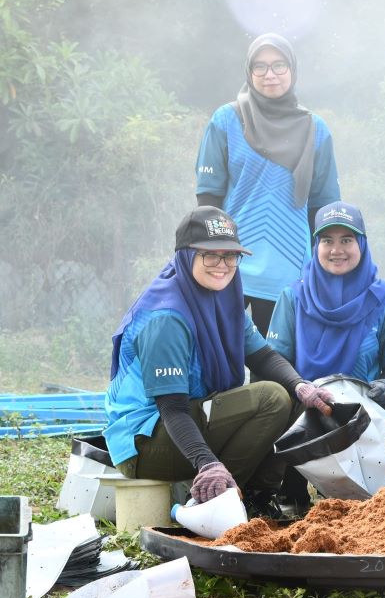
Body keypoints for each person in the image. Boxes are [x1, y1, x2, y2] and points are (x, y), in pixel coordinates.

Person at [104, 206, 337, 516]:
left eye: (230, 256)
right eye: (211, 255)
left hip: (186, 417)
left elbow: (263, 355)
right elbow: (171, 408)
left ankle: (256, 498)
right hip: (145, 442)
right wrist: (207, 462)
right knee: (270, 398)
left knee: (292, 396)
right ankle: (216, 497)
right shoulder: (167, 318)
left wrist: (302, 386)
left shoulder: (222, 299)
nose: (223, 265)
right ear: (187, 255)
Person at [195, 33, 341, 335]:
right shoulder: (226, 120)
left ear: (293, 70)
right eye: (259, 67)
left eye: (279, 65)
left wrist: (324, 269)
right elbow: (208, 200)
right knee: (221, 370)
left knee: (275, 375)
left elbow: (324, 209)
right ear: (249, 72)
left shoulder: (316, 129)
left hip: (289, 273)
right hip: (229, 267)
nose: (269, 74)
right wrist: (212, 259)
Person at [266, 201, 385, 410]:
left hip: (364, 418)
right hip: (300, 417)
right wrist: (301, 389)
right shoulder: (293, 297)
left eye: (346, 240)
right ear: (316, 246)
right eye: (327, 240)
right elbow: (275, 361)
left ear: (362, 244)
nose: (336, 250)